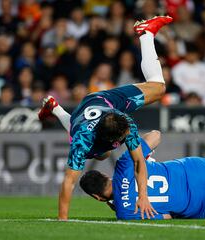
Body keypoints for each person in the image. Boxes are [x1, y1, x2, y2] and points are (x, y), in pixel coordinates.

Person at [37, 16, 173, 220]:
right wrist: (62, 220)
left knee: (158, 88)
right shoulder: (83, 140)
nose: (129, 134)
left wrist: (143, 196)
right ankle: (57, 110)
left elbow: (138, 163)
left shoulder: (125, 124)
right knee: (101, 155)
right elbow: (69, 181)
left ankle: (146, 33)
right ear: (112, 140)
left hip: (105, 100)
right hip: (85, 116)